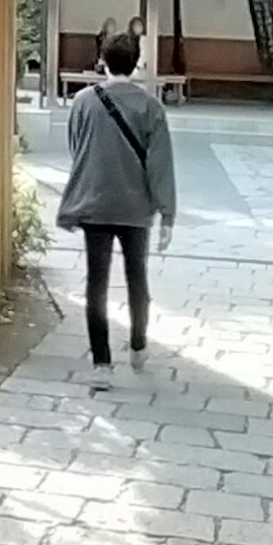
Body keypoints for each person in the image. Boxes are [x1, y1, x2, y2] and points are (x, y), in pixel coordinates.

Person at [59, 22, 176, 381]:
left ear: (103, 61)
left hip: (95, 203)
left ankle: (101, 362)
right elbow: (160, 165)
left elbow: (76, 148)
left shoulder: (83, 102)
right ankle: (138, 345)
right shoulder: (151, 107)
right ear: (137, 63)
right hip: (135, 208)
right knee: (136, 277)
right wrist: (167, 214)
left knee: (97, 281)